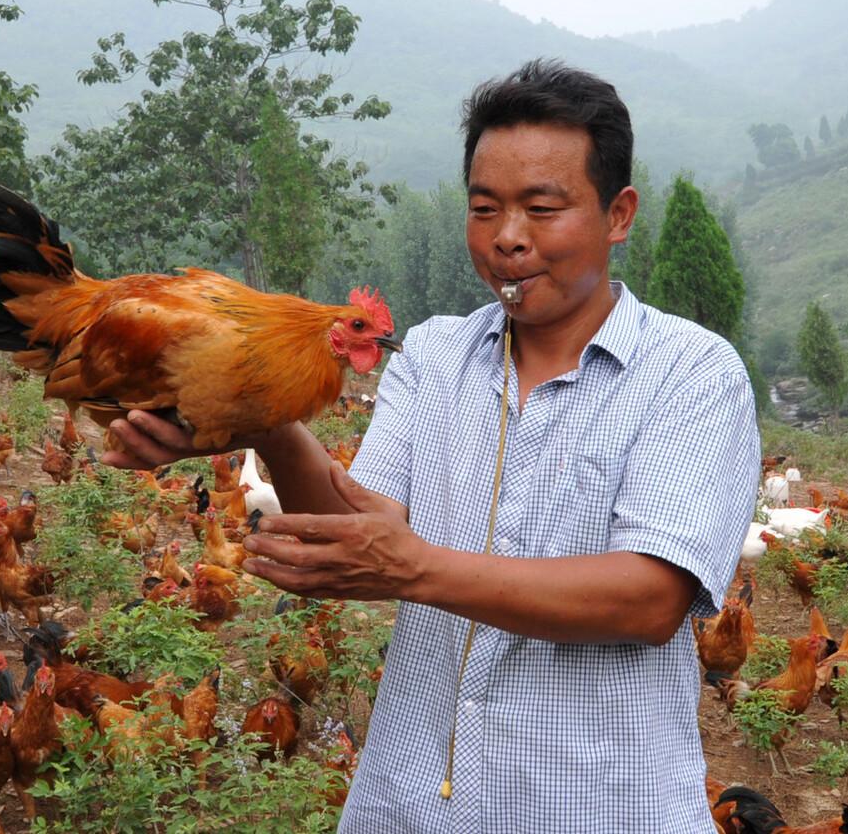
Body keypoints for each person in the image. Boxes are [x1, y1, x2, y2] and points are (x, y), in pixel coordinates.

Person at [101, 59, 760, 833]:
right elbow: (359, 525)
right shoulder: (435, 355)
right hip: (409, 804)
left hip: (597, 806)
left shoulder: (691, 373)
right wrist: (267, 423)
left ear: (618, 214)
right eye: (485, 209)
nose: (509, 239)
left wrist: (413, 566)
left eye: (543, 209)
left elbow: (649, 598)